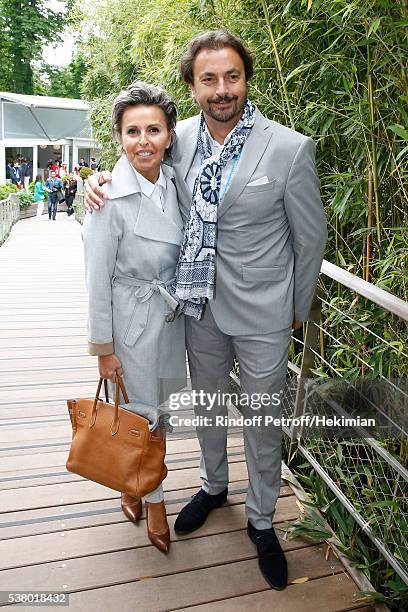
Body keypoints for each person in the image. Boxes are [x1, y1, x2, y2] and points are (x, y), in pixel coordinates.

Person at [85, 30, 327, 589]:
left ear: (247, 79)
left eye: (232, 76)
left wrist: (297, 306)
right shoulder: (180, 139)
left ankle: (262, 518)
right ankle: (214, 485)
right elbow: (135, 172)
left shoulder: (289, 148)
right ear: (192, 87)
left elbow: (310, 237)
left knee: (263, 419)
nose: (222, 90)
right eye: (208, 79)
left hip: (267, 310)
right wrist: (96, 182)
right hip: (198, 308)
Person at [82, 81, 186, 553]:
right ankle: (156, 502)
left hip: (171, 318)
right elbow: (96, 279)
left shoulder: (179, 183)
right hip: (131, 322)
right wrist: (103, 350)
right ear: (119, 137)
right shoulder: (107, 199)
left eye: (153, 130)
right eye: (132, 131)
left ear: (169, 135)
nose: (143, 141)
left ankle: (134, 481)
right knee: (139, 412)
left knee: (157, 412)